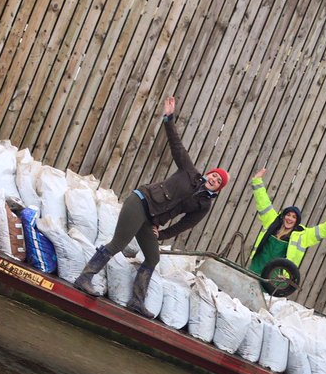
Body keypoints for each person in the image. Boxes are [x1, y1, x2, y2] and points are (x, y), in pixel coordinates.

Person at [74, 96, 230, 316]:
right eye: (214, 175)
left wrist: (162, 234)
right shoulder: (189, 172)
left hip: (151, 219)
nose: (214, 179)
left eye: (218, 181)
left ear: (218, 189)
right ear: (209, 173)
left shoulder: (204, 205)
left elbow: (185, 224)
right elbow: (177, 146)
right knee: (119, 242)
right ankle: (85, 277)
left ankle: (136, 301)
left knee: (153, 257)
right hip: (140, 202)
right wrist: (169, 118)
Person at [248, 168, 326, 281]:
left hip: (276, 279)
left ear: (297, 221)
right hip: (256, 268)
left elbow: (324, 229)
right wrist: (257, 181)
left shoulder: (303, 235)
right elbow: (263, 202)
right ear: (283, 216)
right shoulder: (272, 221)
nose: (290, 218)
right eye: (288, 215)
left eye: (294, 217)